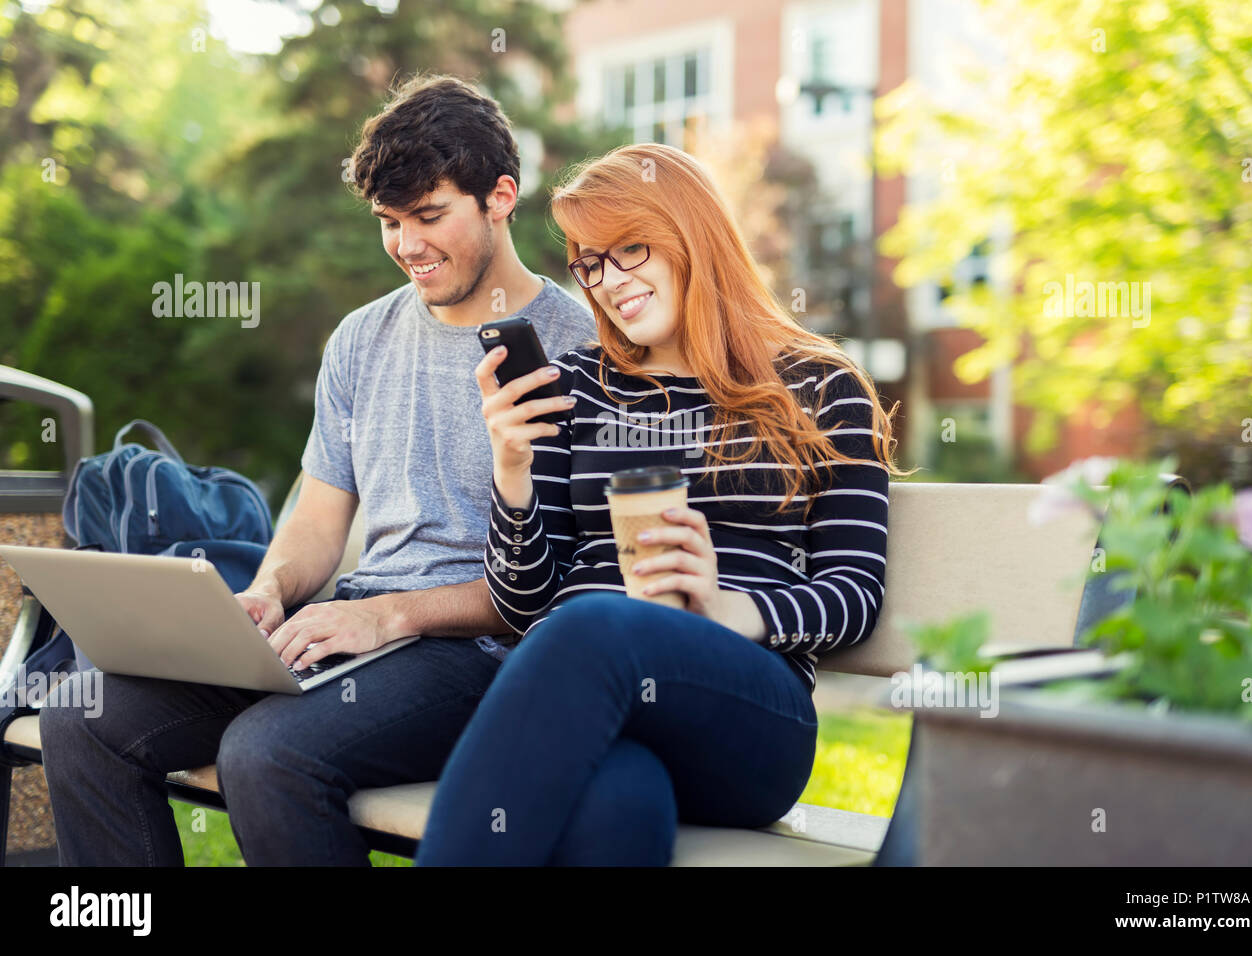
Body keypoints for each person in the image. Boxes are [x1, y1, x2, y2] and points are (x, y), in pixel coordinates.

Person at [38, 74, 595, 866]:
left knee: (268, 755)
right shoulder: (361, 339)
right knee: (78, 719)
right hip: (351, 635)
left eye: (429, 216)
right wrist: (268, 593)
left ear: (500, 196)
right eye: (388, 222)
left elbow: (566, 586)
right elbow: (316, 518)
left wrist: (392, 616)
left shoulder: (577, 349)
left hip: (484, 658)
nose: (407, 245)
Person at [415, 142, 908, 866]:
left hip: (744, 712)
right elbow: (523, 605)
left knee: (592, 627)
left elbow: (853, 593)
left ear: (692, 236)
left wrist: (730, 609)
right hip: (598, 706)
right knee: (617, 804)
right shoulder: (574, 386)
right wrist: (513, 470)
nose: (607, 282)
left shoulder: (822, 387)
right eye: (589, 262)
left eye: (630, 250)